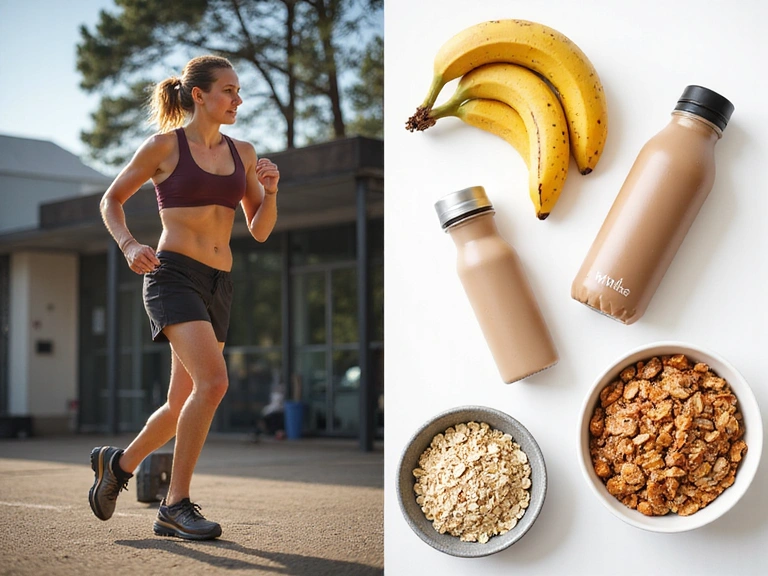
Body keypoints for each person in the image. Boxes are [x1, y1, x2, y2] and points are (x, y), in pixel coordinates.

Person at [88, 55, 279, 541]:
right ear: (199, 95)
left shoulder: (243, 152)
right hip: (172, 275)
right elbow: (111, 200)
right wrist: (129, 244)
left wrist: (271, 192)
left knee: (180, 406)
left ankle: (118, 464)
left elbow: (258, 230)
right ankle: (174, 505)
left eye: (239, 92)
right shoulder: (164, 147)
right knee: (213, 384)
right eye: (229, 91)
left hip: (220, 283)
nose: (238, 100)